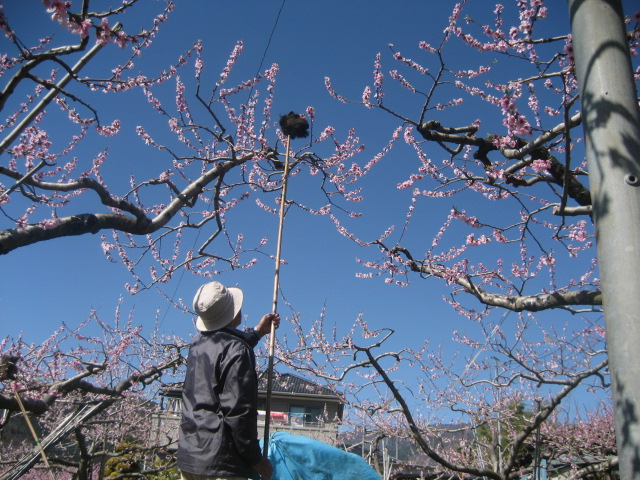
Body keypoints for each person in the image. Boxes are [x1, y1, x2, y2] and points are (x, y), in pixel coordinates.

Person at [177, 281, 280, 480]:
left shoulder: (197, 344)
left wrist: (258, 332)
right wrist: (255, 460)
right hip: (222, 462)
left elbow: (223, 348)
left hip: (190, 457)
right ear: (233, 313)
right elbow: (239, 411)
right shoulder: (237, 350)